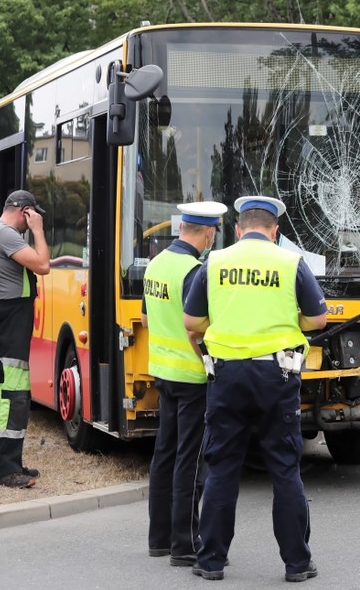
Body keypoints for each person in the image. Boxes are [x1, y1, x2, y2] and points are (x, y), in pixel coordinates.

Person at [183, 195, 327, 583]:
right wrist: (286, 316)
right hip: (276, 377)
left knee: (222, 468)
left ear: (238, 229)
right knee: (284, 468)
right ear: (275, 231)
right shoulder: (290, 262)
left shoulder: (214, 263)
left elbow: (192, 320)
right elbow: (318, 318)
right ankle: (297, 563)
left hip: (226, 377)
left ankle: (211, 560)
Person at [142, 201, 227, 565]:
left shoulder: (156, 263)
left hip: (162, 373)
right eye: (212, 234)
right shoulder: (194, 270)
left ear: (181, 228)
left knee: (164, 455)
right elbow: (199, 325)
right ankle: (185, 545)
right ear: (208, 233)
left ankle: (159, 537)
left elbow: (146, 319)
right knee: (190, 462)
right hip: (191, 376)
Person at [0, 189, 50, 489]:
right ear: (24, 211)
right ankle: (5, 470)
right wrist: (38, 231)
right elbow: (43, 265)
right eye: (32, 215)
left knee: (12, 396)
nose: (33, 222)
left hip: (5, 323)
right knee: (10, 397)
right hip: (5, 326)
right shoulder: (4, 234)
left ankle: (9, 463)